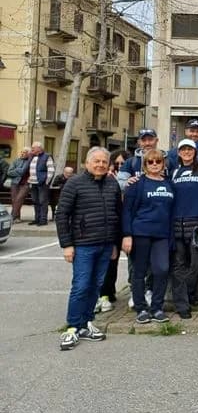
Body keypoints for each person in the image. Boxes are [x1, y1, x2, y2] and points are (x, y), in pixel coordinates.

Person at [56, 147, 122, 350]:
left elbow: (117, 215)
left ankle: (86, 323)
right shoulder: (74, 183)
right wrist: (67, 245)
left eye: (104, 162)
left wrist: (115, 243)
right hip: (83, 245)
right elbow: (62, 215)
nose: (101, 165)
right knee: (81, 286)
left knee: (96, 286)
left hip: (105, 244)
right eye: (97, 161)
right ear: (87, 163)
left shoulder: (112, 183)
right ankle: (72, 327)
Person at [121, 149, 175, 325]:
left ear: (163, 164)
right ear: (144, 165)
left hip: (162, 235)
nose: (154, 164)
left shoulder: (169, 184)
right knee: (139, 272)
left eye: (158, 161)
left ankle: (157, 307)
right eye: (150, 162)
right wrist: (127, 235)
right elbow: (127, 211)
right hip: (140, 233)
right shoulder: (136, 184)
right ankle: (141, 308)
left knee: (162, 269)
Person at [170, 139, 198, 319]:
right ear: (179, 153)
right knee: (178, 266)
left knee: (197, 264)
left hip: (196, 225)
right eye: (183, 149)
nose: (187, 152)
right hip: (176, 225)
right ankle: (182, 305)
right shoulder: (174, 172)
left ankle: (189, 294)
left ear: (195, 152)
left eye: (190, 149)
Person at [97, 149, 130, 311]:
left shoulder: (131, 177)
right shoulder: (107, 179)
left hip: (128, 222)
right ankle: (106, 292)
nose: (119, 166)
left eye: (123, 163)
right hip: (112, 225)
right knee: (111, 261)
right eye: (116, 163)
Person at [28, 141, 54, 225]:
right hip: (33, 183)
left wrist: (46, 181)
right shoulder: (32, 157)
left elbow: (51, 170)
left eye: (33, 147)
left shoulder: (47, 156)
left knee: (43, 201)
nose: (32, 149)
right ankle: (37, 219)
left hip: (42, 183)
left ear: (39, 148)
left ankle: (43, 220)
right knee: (35, 201)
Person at [7, 147, 31, 223]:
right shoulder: (16, 161)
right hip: (15, 183)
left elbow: (24, 171)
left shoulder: (30, 162)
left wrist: (16, 170)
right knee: (14, 200)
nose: (22, 154)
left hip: (26, 184)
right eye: (22, 152)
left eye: (24, 152)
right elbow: (9, 172)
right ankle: (17, 218)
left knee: (19, 199)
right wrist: (19, 171)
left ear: (28, 154)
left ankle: (12, 217)